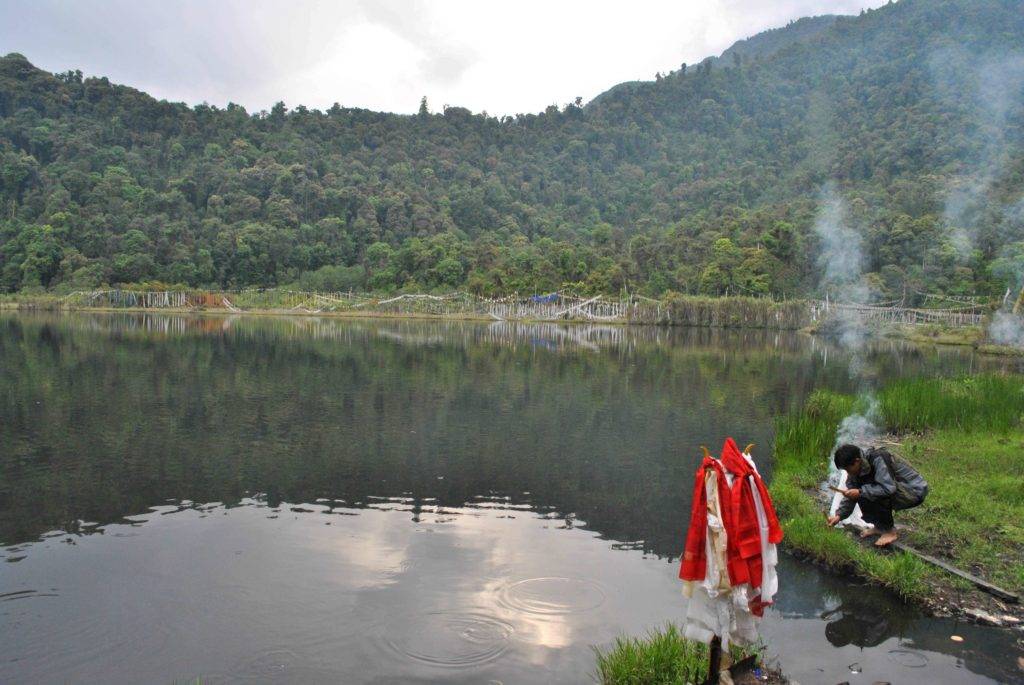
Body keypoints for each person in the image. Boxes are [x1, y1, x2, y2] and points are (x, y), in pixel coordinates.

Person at [826, 444, 928, 547]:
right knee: (864, 491)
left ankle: (889, 531)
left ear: (857, 461)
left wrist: (860, 492)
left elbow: (888, 488)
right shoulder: (856, 471)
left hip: (913, 491)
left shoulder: (878, 458)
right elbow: (852, 496)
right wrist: (839, 516)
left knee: (867, 492)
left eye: (848, 469)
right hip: (897, 489)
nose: (848, 473)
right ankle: (880, 527)